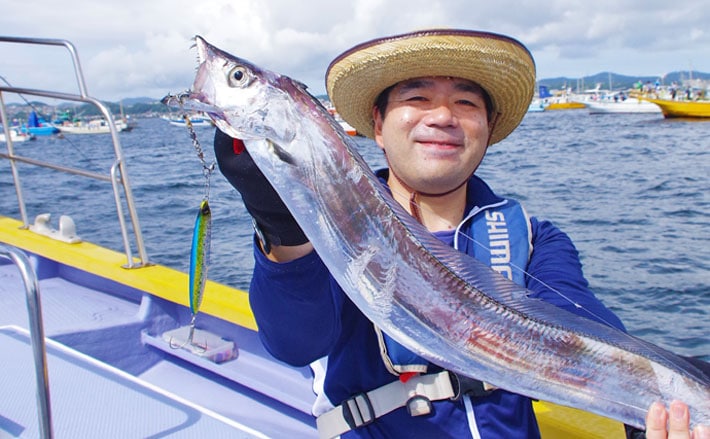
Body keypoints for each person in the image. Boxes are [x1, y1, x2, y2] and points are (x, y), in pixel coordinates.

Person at [213, 29, 708, 439]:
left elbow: (584, 323)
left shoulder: (536, 240)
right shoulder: (338, 230)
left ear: (488, 127)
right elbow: (294, 342)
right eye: (416, 97)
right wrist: (282, 227)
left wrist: (654, 411)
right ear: (378, 125)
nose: (443, 116)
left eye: (466, 102)